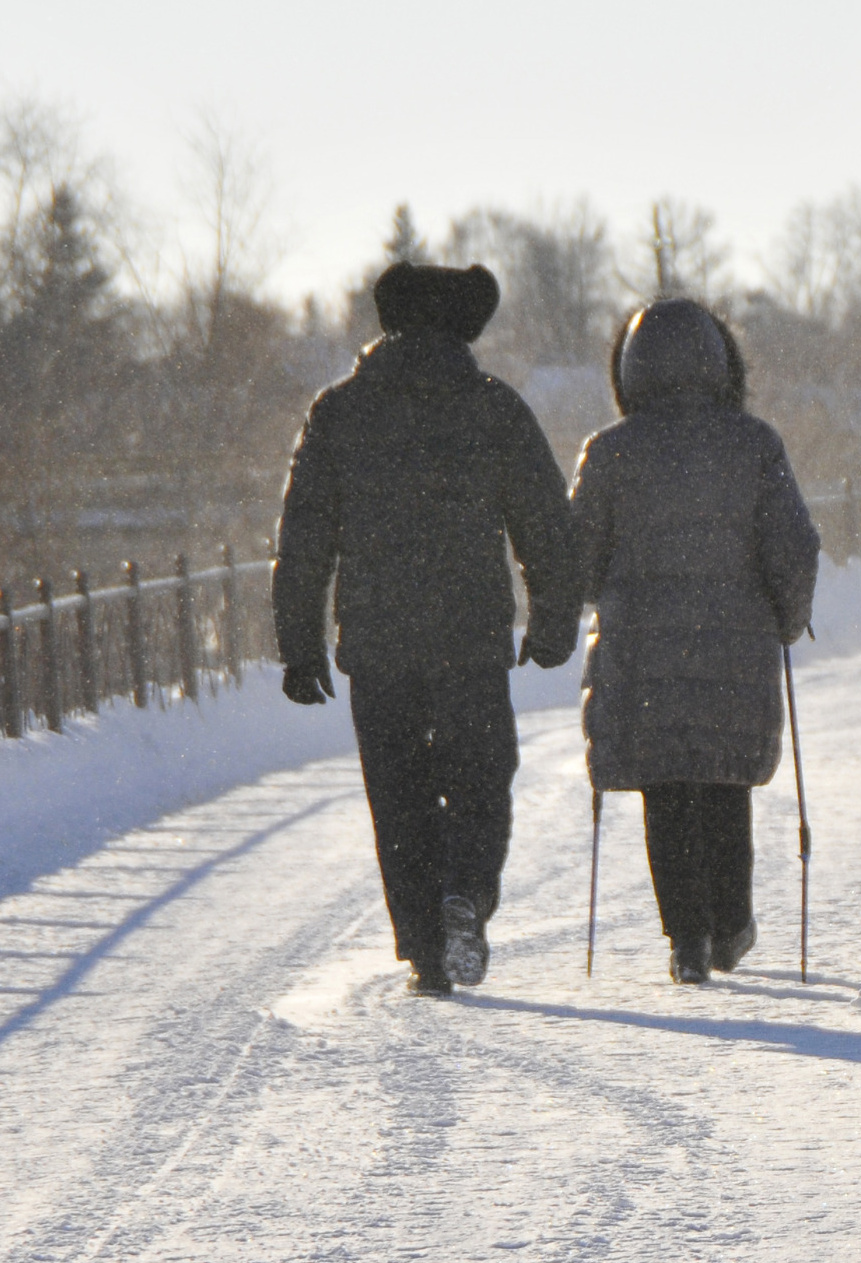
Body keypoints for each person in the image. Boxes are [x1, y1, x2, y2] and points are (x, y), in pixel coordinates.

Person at [273, 261, 584, 995]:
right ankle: (466, 898)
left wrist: (299, 643)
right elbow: (544, 523)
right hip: (470, 639)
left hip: (378, 646)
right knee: (481, 780)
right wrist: (552, 620)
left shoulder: (340, 412)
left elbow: (305, 533)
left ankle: (422, 945)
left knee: (400, 793)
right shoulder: (492, 408)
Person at [571, 299, 820, 985]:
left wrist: (606, 594)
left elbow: (579, 560)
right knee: (721, 782)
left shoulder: (610, 453)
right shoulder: (754, 445)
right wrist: (788, 616)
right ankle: (730, 924)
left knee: (667, 790)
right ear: (721, 361)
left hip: (642, 652)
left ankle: (685, 933)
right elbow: (793, 548)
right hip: (734, 645)